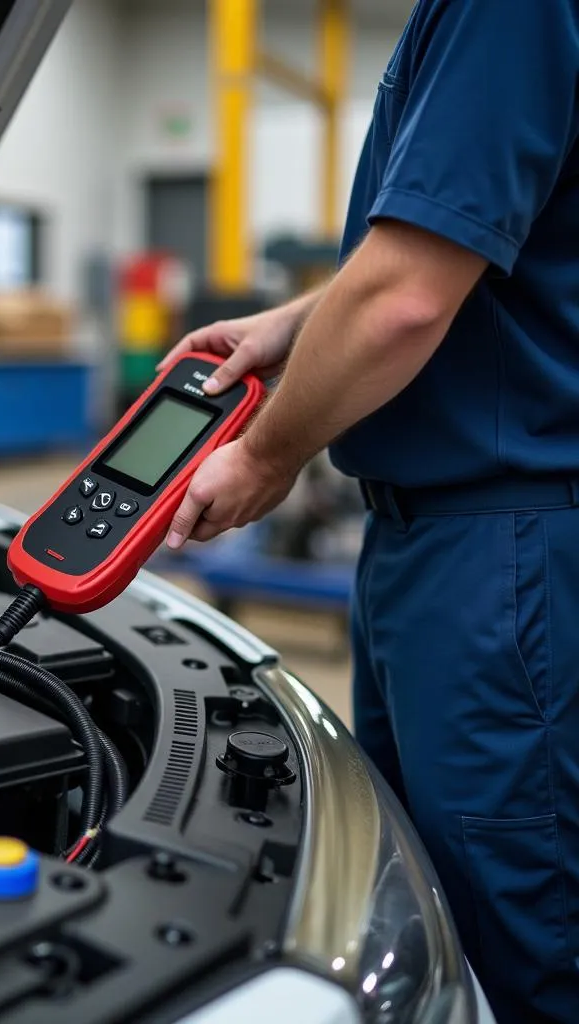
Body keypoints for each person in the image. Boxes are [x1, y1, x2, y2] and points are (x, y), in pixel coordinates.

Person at [158, 3, 579, 1022]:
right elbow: (463, 248)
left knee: (502, 931)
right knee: (421, 894)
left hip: (491, 552)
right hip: (446, 542)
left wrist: (268, 452)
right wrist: (291, 325)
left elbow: (402, 300)